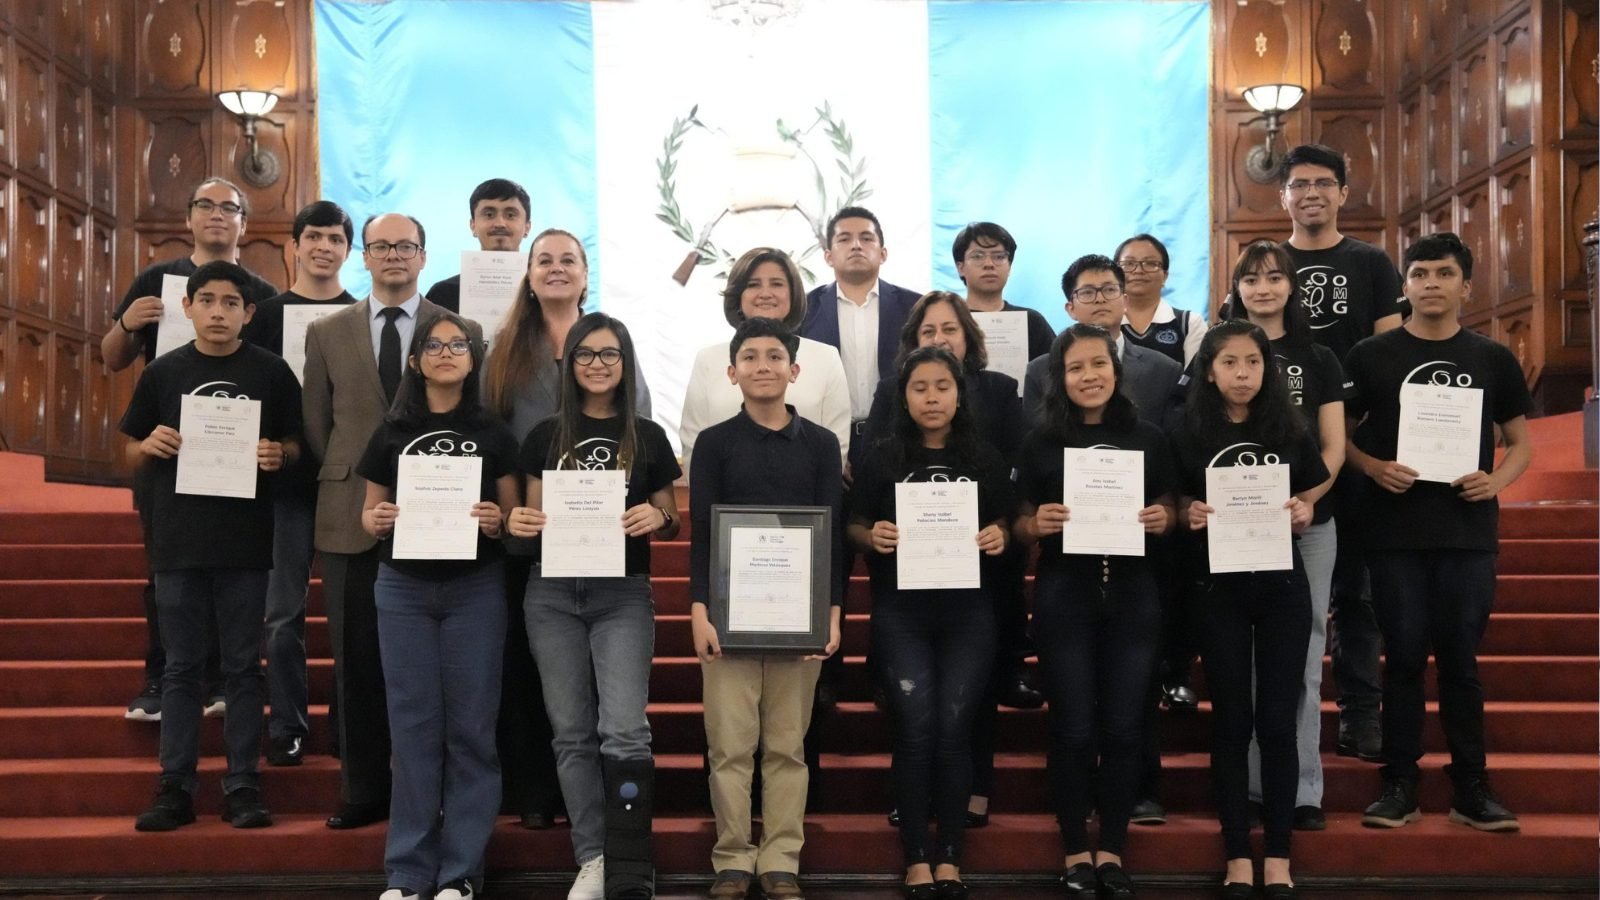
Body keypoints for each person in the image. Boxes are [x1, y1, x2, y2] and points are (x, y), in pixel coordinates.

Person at [1346, 233, 1532, 833]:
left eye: (1443, 274)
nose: (1430, 284)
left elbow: (1521, 444)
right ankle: (1399, 781)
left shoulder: (1492, 357)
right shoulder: (1371, 355)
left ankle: (1471, 786)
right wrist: (1373, 466)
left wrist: (1495, 481)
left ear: (1465, 285)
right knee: (1400, 657)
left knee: (1460, 660)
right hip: (1394, 530)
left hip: (1466, 530)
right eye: (1420, 273)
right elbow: (1336, 437)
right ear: (1404, 285)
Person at [303, 213, 475, 830]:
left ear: (424, 257)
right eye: (382, 247)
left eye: (406, 246)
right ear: (364, 258)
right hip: (352, 513)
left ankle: (440, 792)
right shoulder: (326, 332)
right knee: (356, 659)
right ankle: (363, 787)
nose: (394, 256)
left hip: (443, 517)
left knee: (438, 668)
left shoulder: (462, 331)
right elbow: (318, 427)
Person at [119, 260, 302, 832]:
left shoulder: (272, 373)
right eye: (208, 300)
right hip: (178, 539)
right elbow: (127, 451)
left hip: (246, 540)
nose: (219, 311)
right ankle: (175, 785)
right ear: (188, 307)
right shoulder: (163, 372)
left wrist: (280, 455)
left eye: (231, 303)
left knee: (245, 668)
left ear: (250, 313)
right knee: (181, 668)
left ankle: (243, 783)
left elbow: (297, 444)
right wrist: (149, 444)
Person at [507, 313, 681, 900]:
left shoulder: (647, 436)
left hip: (622, 594)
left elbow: (670, 513)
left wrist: (657, 516)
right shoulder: (544, 435)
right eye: (586, 354)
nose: (598, 365)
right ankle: (594, 857)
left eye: (609, 355)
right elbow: (528, 524)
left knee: (625, 731)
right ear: (569, 364)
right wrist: (521, 520)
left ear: (626, 363)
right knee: (572, 732)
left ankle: (631, 859)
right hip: (552, 594)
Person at [103, 176, 277, 723]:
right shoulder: (157, 278)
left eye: (231, 208)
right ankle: (162, 678)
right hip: (166, 449)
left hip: (234, 454)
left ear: (245, 225)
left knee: (233, 568)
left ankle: (227, 677)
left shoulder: (262, 292)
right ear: (189, 217)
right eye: (207, 205)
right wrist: (128, 323)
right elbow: (111, 357)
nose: (218, 215)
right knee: (166, 572)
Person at [358, 311, 518, 900]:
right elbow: (369, 514)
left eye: (458, 345)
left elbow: (508, 521)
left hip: (475, 588)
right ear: (415, 358)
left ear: (474, 359)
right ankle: (407, 871)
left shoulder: (494, 431)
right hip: (402, 588)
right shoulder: (391, 430)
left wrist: (497, 521)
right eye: (435, 344)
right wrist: (375, 519)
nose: (446, 353)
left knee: (472, 730)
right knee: (413, 729)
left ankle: (461, 874)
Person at [1013, 324, 1177, 897]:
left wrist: (1164, 518)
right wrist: (1035, 525)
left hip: (1134, 598)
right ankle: (1074, 848)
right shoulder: (1039, 442)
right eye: (1076, 367)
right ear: (1060, 377)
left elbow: (1170, 504)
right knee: (1074, 726)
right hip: (1065, 600)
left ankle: (1112, 847)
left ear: (1116, 369)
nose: (1089, 376)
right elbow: (1018, 520)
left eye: (1098, 365)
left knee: (1126, 726)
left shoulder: (1149, 437)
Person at [1171, 320, 1330, 899]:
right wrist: (1188, 509)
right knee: (1233, 722)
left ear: (1268, 369)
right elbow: (1170, 499)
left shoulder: (1289, 428)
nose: (1243, 373)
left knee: (1278, 724)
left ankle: (1280, 852)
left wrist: (1303, 512)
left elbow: (1311, 496)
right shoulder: (1186, 429)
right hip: (1219, 593)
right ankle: (1238, 849)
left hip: (1283, 588)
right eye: (1231, 363)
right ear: (1209, 370)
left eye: (1254, 363)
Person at [688, 318, 843, 900]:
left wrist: (831, 614)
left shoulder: (822, 446)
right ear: (732, 372)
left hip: (797, 621)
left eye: (774, 355)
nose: (762, 365)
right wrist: (699, 610)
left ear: (794, 370)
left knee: (786, 746)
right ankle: (732, 858)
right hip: (727, 620)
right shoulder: (715, 443)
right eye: (749, 356)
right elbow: (703, 532)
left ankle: (781, 858)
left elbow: (828, 542)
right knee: (729, 746)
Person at [850, 345, 1012, 900]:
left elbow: (1007, 524)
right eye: (920, 387)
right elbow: (854, 524)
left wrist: (1000, 535)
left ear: (958, 393)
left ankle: (951, 858)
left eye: (942, 386)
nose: (932, 397)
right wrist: (871, 536)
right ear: (904, 395)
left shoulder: (984, 458)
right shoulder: (883, 457)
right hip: (903, 612)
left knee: (953, 729)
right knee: (916, 729)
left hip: (969, 612)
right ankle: (917, 856)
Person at [484, 228, 632, 830]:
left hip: (596, 529)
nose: (555, 269)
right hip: (527, 525)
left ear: (585, 273)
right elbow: (491, 437)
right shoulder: (503, 349)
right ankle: (536, 791)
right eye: (543, 260)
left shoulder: (608, 342)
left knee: (595, 677)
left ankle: (596, 798)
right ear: (528, 271)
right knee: (525, 665)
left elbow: (635, 426)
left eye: (567, 259)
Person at [862, 291, 1022, 826]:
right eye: (928, 330)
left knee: (968, 697)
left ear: (968, 336)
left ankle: (971, 790)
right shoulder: (892, 410)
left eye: (949, 329)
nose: (939, 339)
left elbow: (1006, 506)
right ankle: (911, 797)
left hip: (976, 579)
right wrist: (873, 533)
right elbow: (863, 508)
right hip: (907, 586)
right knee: (916, 710)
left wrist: (1000, 530)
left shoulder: (996, 396)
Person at [1279, 143, 1404, 759]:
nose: (1311, 194)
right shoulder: (1265, 263)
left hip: (1353, 446)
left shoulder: (1371, 263)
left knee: (1356, 589)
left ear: (1343, 193)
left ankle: (1360, 712)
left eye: (1323, 183)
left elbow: (1390, 357)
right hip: (1276, 458)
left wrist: (1357, 446)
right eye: (1299, 184)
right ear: (1284, 196)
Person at [1220, 241, 1349, 831]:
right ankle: (1254, 785)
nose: (1263, 288)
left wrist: (1307, 501)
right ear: (1237, 288)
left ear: (1292, 286)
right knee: (1247, 663)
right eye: (1251, 278)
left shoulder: (1319, 356)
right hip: (1235, 531)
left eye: (1275, 277)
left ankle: (1302, 790)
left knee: (1302, 660)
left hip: (1310, 526)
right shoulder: (1215, 351)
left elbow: (1333, 446)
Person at [247, 199, 358, 767]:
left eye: (335, 239)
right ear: (295, 246)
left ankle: (349, 728)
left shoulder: (363, 315)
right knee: (283, 614)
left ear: (347, 250)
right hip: (284, 487)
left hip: (347, 487)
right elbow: (248, 391)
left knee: (349, 618)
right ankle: (287, 724)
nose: (323, 247)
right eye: (313, 236)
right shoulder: (265, 315)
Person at [679, 247, 851, 472]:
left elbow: (835, 445)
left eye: (777, 284)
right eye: (753, 285)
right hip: (727, 501)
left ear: (793, 294)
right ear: (738, 295)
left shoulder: (826, 357)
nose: (765, 293)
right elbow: (694, 443)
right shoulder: (708, 359)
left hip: (805, 501)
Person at [798, 206, 922, 469]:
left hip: (901, 440)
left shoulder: (915, 307)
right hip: (825, 440)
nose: (856, 245)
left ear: (883, 253)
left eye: (866, 238)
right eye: (844, 239)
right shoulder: (803, 310)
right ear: (829, 256)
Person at [424, 177, 534, 312]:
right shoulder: (442, 294)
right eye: (489, 214)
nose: (500, 223)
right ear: (473, 225)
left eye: (510, 215)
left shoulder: (545, 292)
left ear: (527, 227)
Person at [952, 222, 1056, 361]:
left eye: (999, 257)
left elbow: (1055, 373)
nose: (989, 264)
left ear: (1009, 267)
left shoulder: (1031, 322)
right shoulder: (948, 321)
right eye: (977, 256)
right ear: (961, 268)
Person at [1114, 233, 1206, 366]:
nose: (1138, 270)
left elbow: (1194, 380)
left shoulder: (1189, 324)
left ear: (1165, 276)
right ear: (1115, 274)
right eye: (1129, 263)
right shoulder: (1104, 323)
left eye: (1150, 263)